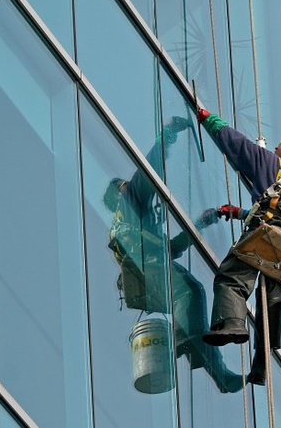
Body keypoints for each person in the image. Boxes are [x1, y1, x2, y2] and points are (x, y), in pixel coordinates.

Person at [103, 116, 243, 394]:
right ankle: (187, 341)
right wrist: (168, 135)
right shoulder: (130, 202)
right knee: (190, 292)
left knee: (193, 294)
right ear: (119, 193)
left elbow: (171, 249)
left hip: (147, 267)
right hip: (145, 266)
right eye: (123, 185)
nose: (129, 185)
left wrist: (203, 222)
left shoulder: (136, 224)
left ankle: (215, 370)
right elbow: (149, 169)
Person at [196, 109, 281, 386]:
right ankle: (261, 366)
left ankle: (232, 324)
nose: (277, 145)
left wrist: (207, 118)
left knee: (231, 278)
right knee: (268, 302)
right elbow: (278, 210)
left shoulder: (270, 162)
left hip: (266, 236)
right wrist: (238, 212)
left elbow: (234, 143)